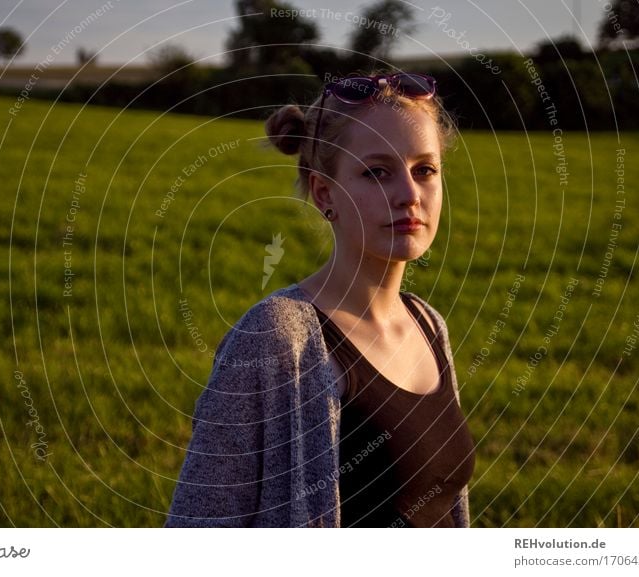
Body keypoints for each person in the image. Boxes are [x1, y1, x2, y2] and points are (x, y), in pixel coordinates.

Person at [164, 70, 475, 528]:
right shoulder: (274, 340)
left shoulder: (428, 325)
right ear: (324, 192)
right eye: (376, 173)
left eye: (424, 170)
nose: (410, 195)